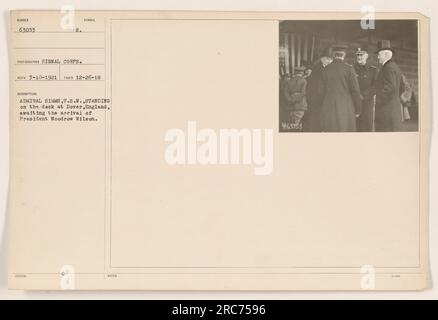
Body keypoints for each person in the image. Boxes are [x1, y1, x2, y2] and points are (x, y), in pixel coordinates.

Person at [320, 44, 362, 132]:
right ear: (344, 55)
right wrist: (358, 109)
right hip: (345, 108)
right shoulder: (349, 69)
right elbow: (355, 91)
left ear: (333, 55)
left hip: (328, 107)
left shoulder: (325, 70)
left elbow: (320, 92)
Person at [374, 40, 403, 132]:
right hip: (393, 111)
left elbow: (390, 88)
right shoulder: (395, 66)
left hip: (386, 113)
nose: (377, 57)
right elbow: (401, 87)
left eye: (379, 54)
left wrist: (377, 100)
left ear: (386, 55)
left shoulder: (388, 68)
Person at [302, 47, 333, 132]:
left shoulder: (330, 69)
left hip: (326, 103)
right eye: (327, 58)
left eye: (330, 59)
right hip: (316, 102)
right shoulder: (316, 70)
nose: (329, 61)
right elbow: (312, 88)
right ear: (322, 59)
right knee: (315, 125)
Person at [353, 46, 378, 132]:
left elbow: (375, 86)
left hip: (367, 103)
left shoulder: (373, 70)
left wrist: (364, 95)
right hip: (354, 103)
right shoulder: (351, 69)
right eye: (358, 55)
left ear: (367, 56)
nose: (359, 57)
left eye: (361, 55)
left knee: (366, 126)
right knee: (354, 127)